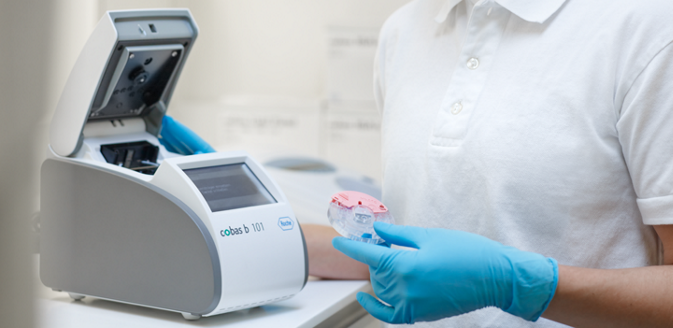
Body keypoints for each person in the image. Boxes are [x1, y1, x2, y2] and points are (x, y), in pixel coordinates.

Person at [163, 0, 673, 326]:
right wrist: (235, 220)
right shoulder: (405, 30)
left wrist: (523, 285)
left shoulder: (647, 30)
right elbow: (419, 246)